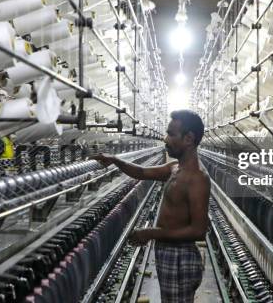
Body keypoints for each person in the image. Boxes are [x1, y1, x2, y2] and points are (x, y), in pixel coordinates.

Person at [90, 109, 210, 303]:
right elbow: (142, 172)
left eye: (171, 134)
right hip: (170, 254)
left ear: (188, 138)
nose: (165, 138)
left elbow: (199, 230)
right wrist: (114, 160)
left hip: (180, 257)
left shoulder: (197, 178)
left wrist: (150, 233)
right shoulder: (175, 168)